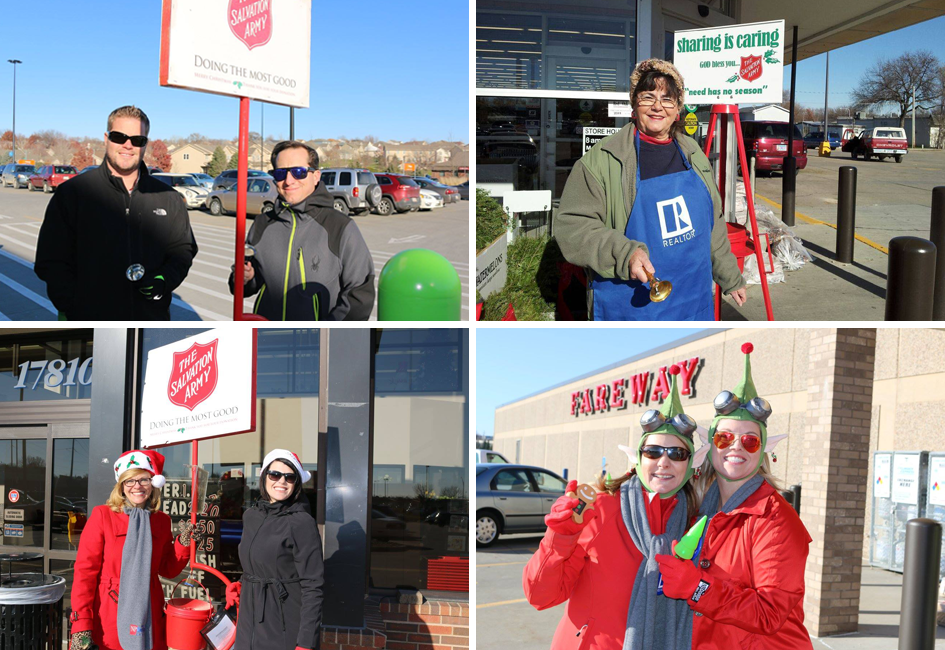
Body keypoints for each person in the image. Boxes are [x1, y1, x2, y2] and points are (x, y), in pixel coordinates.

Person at [523, 366, 710, 650]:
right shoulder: (601, 509)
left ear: (690, 464)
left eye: (677, 453)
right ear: (638, 459)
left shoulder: (692, 525)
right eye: (653, 451)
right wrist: (559, 536)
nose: (663, 462)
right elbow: (540, 596)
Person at [555, 59, 746, 320]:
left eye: (667, 99)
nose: (658, 106)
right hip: (631, 308)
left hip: (693, 299)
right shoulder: (602, 160)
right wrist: (625, 254)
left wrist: (730, 276)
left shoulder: (693, 153)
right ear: (634, 104)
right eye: (648, 97)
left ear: (677, 109)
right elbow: (573, 227)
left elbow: (713, 222)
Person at [656, 342, 814, 649]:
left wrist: (696, 587)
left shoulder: (775, 520)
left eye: (750, 441)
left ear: (764, 450)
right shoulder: (699, 508)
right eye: (725, 438)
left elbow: (769, 613)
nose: (736, 447)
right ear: (710, 446)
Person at [35, 105, 198, 320]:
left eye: (137, 140)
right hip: (90, 321)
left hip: (149, 321)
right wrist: (72, 303)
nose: (127, 145)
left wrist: (164, 279)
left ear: (145, 144)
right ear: (106, 139)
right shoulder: (73, 193)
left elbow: (182, 249)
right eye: (119, 137)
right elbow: (50, 259)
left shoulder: (168, 197)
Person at [228, 141, 374, 320]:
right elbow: (246, 283)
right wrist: (246, 279)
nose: (289, 181)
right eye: (281, 173)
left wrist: (328, 332)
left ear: (316, 176)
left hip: (318, 336)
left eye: (299, 172)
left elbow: (360, 294)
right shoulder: (262, 224)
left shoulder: (340, 226)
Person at [69, 450, 198, 650]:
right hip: (109, 613)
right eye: (130, 481)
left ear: (153, 484)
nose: (137, 486)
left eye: (144, 480)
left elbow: (168, 569)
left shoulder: (161, 521)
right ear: (121, 486)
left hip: (149, 611)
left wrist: (184, 542)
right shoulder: (103, 515)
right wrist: (81, 623)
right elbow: (85, 573)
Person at [225, 449, 324, 650]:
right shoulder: (251, 516)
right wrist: (241, 584)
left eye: (290, 477)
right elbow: (257, 561)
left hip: (283, 623)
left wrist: (306, 643)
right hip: (248, 620)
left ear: (296, 483)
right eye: (275, 474)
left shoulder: (301, 522)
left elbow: (313, 586)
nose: (282, 481)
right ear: (264, 477)